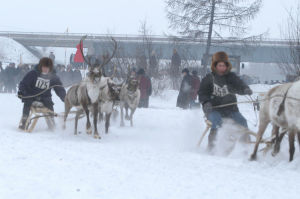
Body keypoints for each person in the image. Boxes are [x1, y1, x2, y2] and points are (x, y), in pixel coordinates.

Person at [198, 51, 253, 150]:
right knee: (217, 121)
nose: (222, 68)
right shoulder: (209, 78)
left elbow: (239, 85)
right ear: (215, 66)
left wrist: (245, 89)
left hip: (231, 109)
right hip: (213, 109)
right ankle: (212, 147)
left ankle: (246, 147)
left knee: (242, 121)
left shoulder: (231, 77)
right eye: (220, 65)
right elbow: (202, 93)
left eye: (224, 65)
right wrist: (206, 102)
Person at [17, 57, 66, 130]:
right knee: (27, 104)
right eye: (44, 67)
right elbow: (23, 84)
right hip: (32, 96)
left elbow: (59, 89)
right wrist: (23, 92)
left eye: (47, 68)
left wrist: (65, 98)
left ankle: (51, 125)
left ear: (50, 68)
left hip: (45, 98)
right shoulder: (33, 74)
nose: (45, 69)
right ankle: (24, 122)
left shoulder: (53, 77)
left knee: (50, 107)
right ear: (40, 66)